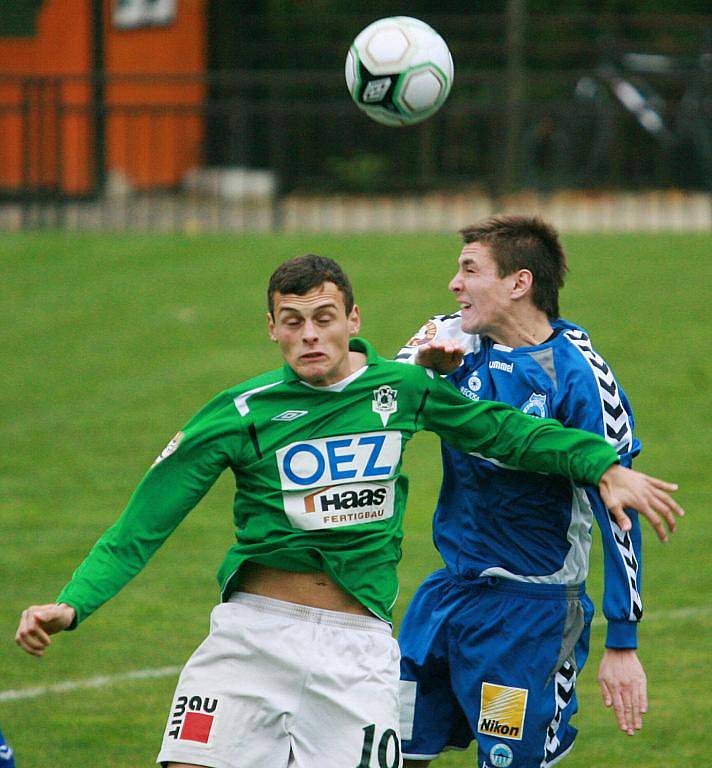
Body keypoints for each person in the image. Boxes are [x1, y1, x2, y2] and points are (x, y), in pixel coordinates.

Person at [16, 254, 682, 768]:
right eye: (293, 320)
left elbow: (504, 432)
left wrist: (603, 464)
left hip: (359, 650)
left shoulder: (403, 389)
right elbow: (143, 524)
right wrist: (73, 604)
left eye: (324, 317)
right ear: (272, 328)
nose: (310, 335)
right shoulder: (237, 415)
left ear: (353, 321)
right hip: (252, 637)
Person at [395, 215, 669, 768]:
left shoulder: (579, 374)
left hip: (531, 616)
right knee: (390, 750)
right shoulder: (450, 337)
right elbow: (374, 390)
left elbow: (618, 508)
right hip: (447, 598)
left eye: (470, 270)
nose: (454, 283)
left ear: (519, 283)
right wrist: (422, 370)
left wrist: (623, 640)